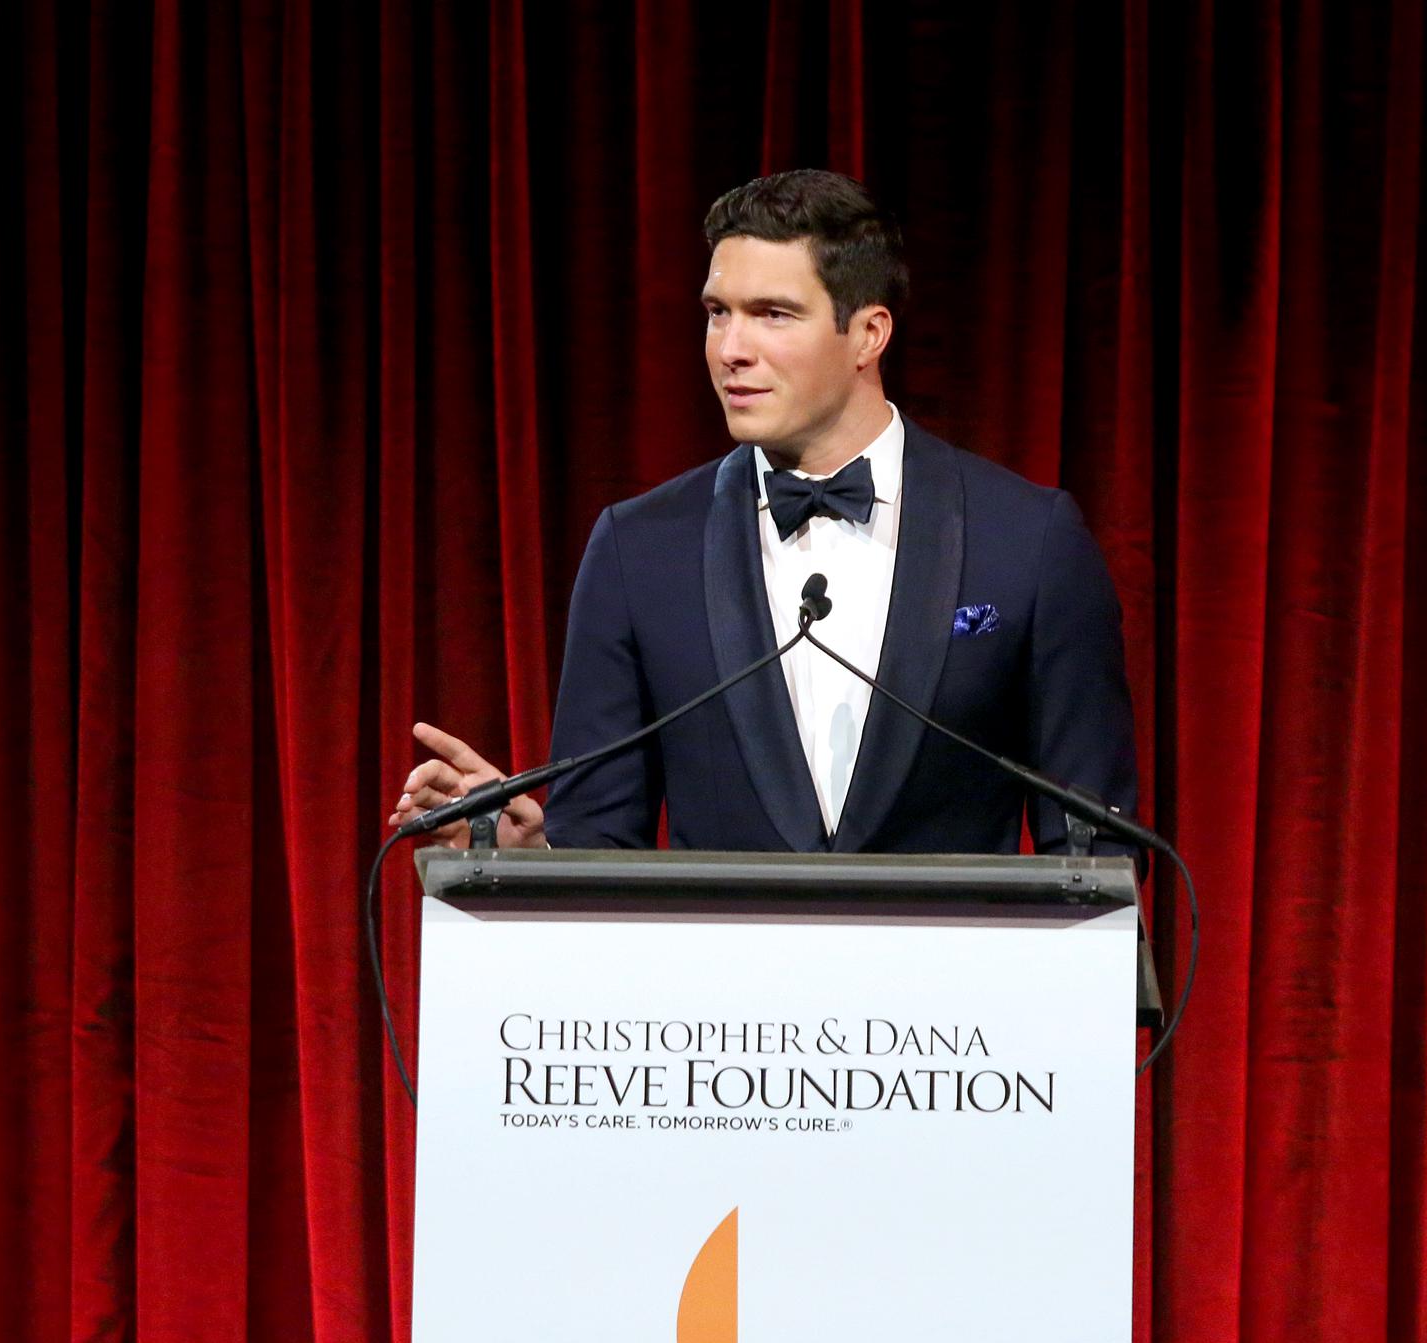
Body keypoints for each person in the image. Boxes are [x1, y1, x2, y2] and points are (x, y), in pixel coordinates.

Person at [392, 170, 1136, 853]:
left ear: (868, 335)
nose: (731, 349)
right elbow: (600, 844)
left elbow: (1095, 851)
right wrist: (531, 856)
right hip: (718, 1001)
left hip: (961, 997)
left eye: (773, 314)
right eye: (719, 313)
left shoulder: (1029, 540)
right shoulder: (639, 550)